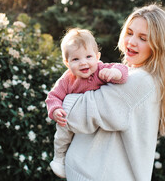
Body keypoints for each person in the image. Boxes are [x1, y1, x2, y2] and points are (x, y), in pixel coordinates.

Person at [61, 4, 165, 180]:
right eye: (130, 33)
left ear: (158, 46)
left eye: (143, 38)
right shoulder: (143, 78)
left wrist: (64, 97)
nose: (131, 42)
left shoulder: (140, 81)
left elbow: (75, 115)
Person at [45, 28, 129, 178]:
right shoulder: (67, 79)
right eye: (76, 59)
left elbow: (123, 69)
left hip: (94, 119)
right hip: (70, 118)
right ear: (67, 62)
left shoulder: (101, 70)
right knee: (62, 134)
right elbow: (53, 96)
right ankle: (59, 157)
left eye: (88, 57)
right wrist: (56, 110)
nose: (83, 63)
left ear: (97, 57)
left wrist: (114, 73)